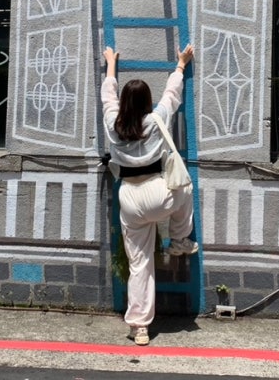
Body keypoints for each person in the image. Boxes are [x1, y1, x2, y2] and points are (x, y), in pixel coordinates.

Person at [101, 44, 197, 346]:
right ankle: (180, 239)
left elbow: (107, 96)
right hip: (158, 193)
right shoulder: (155, 122)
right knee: (185, 188)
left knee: (140, 264)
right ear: (146, 102)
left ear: (124, 103)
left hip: (129, 198)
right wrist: (180, 65)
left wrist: (111, 64)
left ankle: (140, 327)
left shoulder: (113, 124)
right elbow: (172, 95)